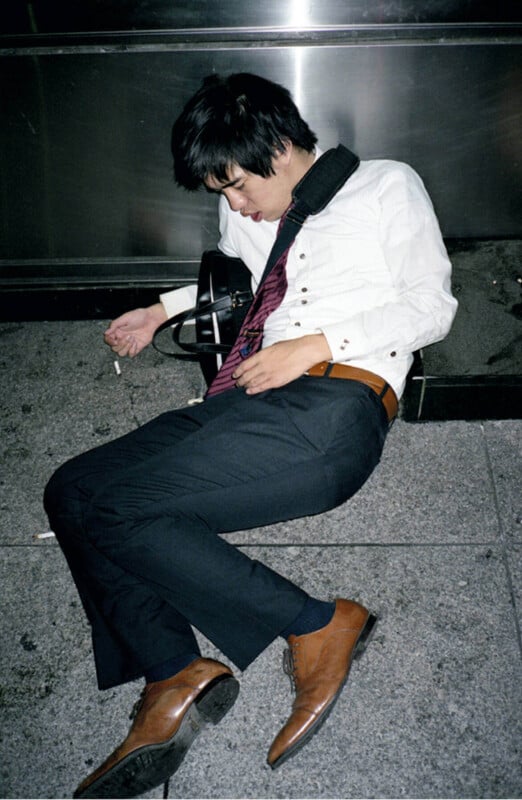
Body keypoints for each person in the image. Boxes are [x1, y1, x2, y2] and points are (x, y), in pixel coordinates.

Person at [44, 72, 457, 798]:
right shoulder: (251, 214)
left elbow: (432, 307)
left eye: (235, 184)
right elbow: (247, 281)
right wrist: (160, 307)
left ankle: (316, 624)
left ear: (278, 144)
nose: (233, 205)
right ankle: (173, 670)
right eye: (220, 193)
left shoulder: (387, 186)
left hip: (333, 408)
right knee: (73, 490)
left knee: (120, 510)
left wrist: (319, 343)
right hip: (247, 400)